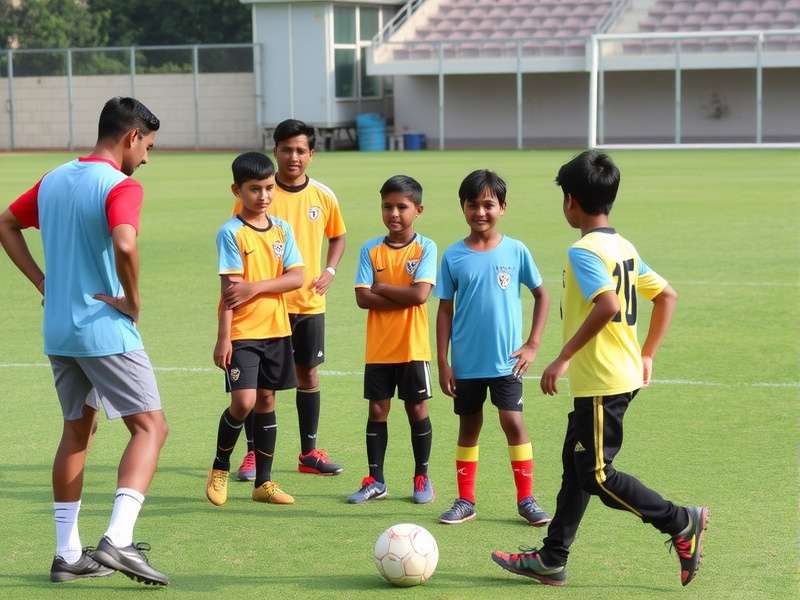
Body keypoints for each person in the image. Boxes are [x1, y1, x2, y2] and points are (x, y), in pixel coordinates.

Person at [491, 150, 708, 587]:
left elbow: (608, 305)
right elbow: (667, 296)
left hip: (603, 379)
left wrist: (563, 356)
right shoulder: (622, 246)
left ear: (570, 200)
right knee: (576, 468)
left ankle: (681, 520)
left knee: (596, 473)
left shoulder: (584, 250)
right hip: (618, 374)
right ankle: (552, 558)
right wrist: (646, 353)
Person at [0, 97, 169, 585]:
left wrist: (42, 282)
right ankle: (117, 539)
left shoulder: (54, 178)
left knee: (78, 430)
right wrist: (133, 301)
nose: (146, 159)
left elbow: (6, 223)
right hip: (103, 328)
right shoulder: (120, 185)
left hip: (58, 331)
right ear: (131, 136)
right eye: (148, 146)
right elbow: (124, 242)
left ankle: (67, 553)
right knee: (151, 429)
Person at [229, 119, 346, 480]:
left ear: (311, 154)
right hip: (264, 307)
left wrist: (330, 270)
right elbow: (239, 242)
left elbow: (338, 236)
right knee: (262, 386)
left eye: (300, 150)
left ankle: (308, 452)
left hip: (307, 303)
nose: (293, 157)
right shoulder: (259, 192)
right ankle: (252, 455)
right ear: (275, 151)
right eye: (286, 149)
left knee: (308, 373)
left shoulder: (323, 196)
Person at [435, 170, 551, 526]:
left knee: (513, 422)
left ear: (503, 207)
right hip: (466, 364)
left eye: (488, 204)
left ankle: (526, 500)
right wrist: (443, 361)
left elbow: (542, 294)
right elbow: (444, 310)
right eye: (473, 205)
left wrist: (532, 344)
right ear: (463, 208)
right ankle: (465, 501)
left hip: (507, 363)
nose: (480, 212)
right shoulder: (453, 256)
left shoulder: (516, 251)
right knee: (469, 428)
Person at [206, 152, 304, 507]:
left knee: (266, 400)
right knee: (243, 402)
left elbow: (297, 276)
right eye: (254, 189)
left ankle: (264, 483)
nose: (262, 196)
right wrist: (223, 338)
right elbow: (231, 293)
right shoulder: (231, 233)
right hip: (243, 333)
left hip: (277, 330)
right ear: (237, 190)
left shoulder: (282, 230)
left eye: (267, 188)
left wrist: (256, 287)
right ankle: (219, 467)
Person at [347, 175, 437, 504]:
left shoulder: (426, 247)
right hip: (380, 348)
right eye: (388, 206)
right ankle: (376, 479)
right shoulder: (370, 249)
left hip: (413, 347)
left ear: (418, 209)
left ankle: (422, 475)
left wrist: (382, 288)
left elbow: (420, 295)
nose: (394, 213)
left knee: (417, 409)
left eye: (402, 206)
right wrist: (401, 294)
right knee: (377, 410)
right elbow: (361, 298)